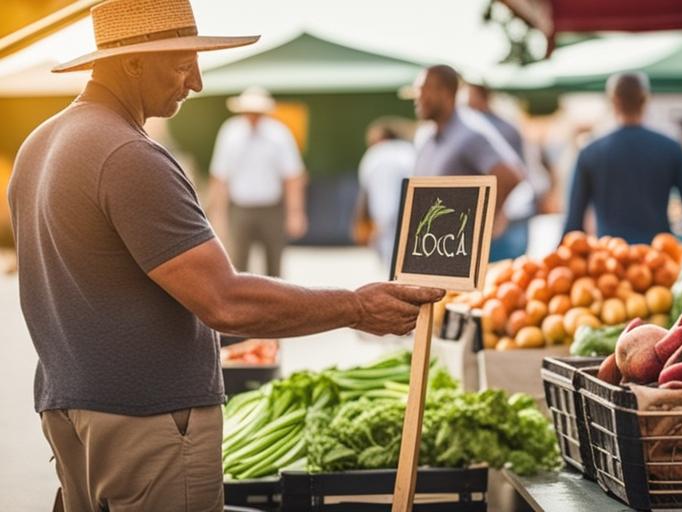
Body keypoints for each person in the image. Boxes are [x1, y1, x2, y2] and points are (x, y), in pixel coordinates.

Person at [7, 1, 444, 511]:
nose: (195, 81)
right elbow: (225, 301)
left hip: (71, 409)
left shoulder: (40, 144)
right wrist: (357, 307)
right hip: (147, 419)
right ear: (132, 63)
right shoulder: (128, 154)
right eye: (182, 61)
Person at [562, 71, 682, 247]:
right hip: (658, 259)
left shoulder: (590, 152)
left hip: (610, 262)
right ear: (645, 100)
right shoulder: (671, 148)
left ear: (613, 101)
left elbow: (573, 223)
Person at [410, 65, 524, 242]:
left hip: (462, 246)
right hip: (435, 245)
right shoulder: (426, 137)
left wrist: (480, 224)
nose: (418, 96)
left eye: (425, 89)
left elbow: (509, 176)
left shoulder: (469, 134)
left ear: (446, 92)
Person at [208, 86, 306, 277]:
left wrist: (295, 213)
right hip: (240, 209)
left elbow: (293, 177)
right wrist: (218, 214)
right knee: (237, 266)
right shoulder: (230, 132)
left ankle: (276, 305)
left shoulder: (279, 134)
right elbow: (220, 177)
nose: (253, 116)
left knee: (274, 265)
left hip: (271, 208)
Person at [465, 82, 550, 260]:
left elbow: (514, 173)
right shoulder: (503, 125)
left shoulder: (481, 127)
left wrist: (497, 213)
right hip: (511, 213)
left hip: (507, 216)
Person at [354, 117, 415, 269]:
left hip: (387, 224)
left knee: (392, 271)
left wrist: (360, 224)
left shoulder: (375, 155)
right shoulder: (409, 150)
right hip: (417, 216)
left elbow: (368, 197)